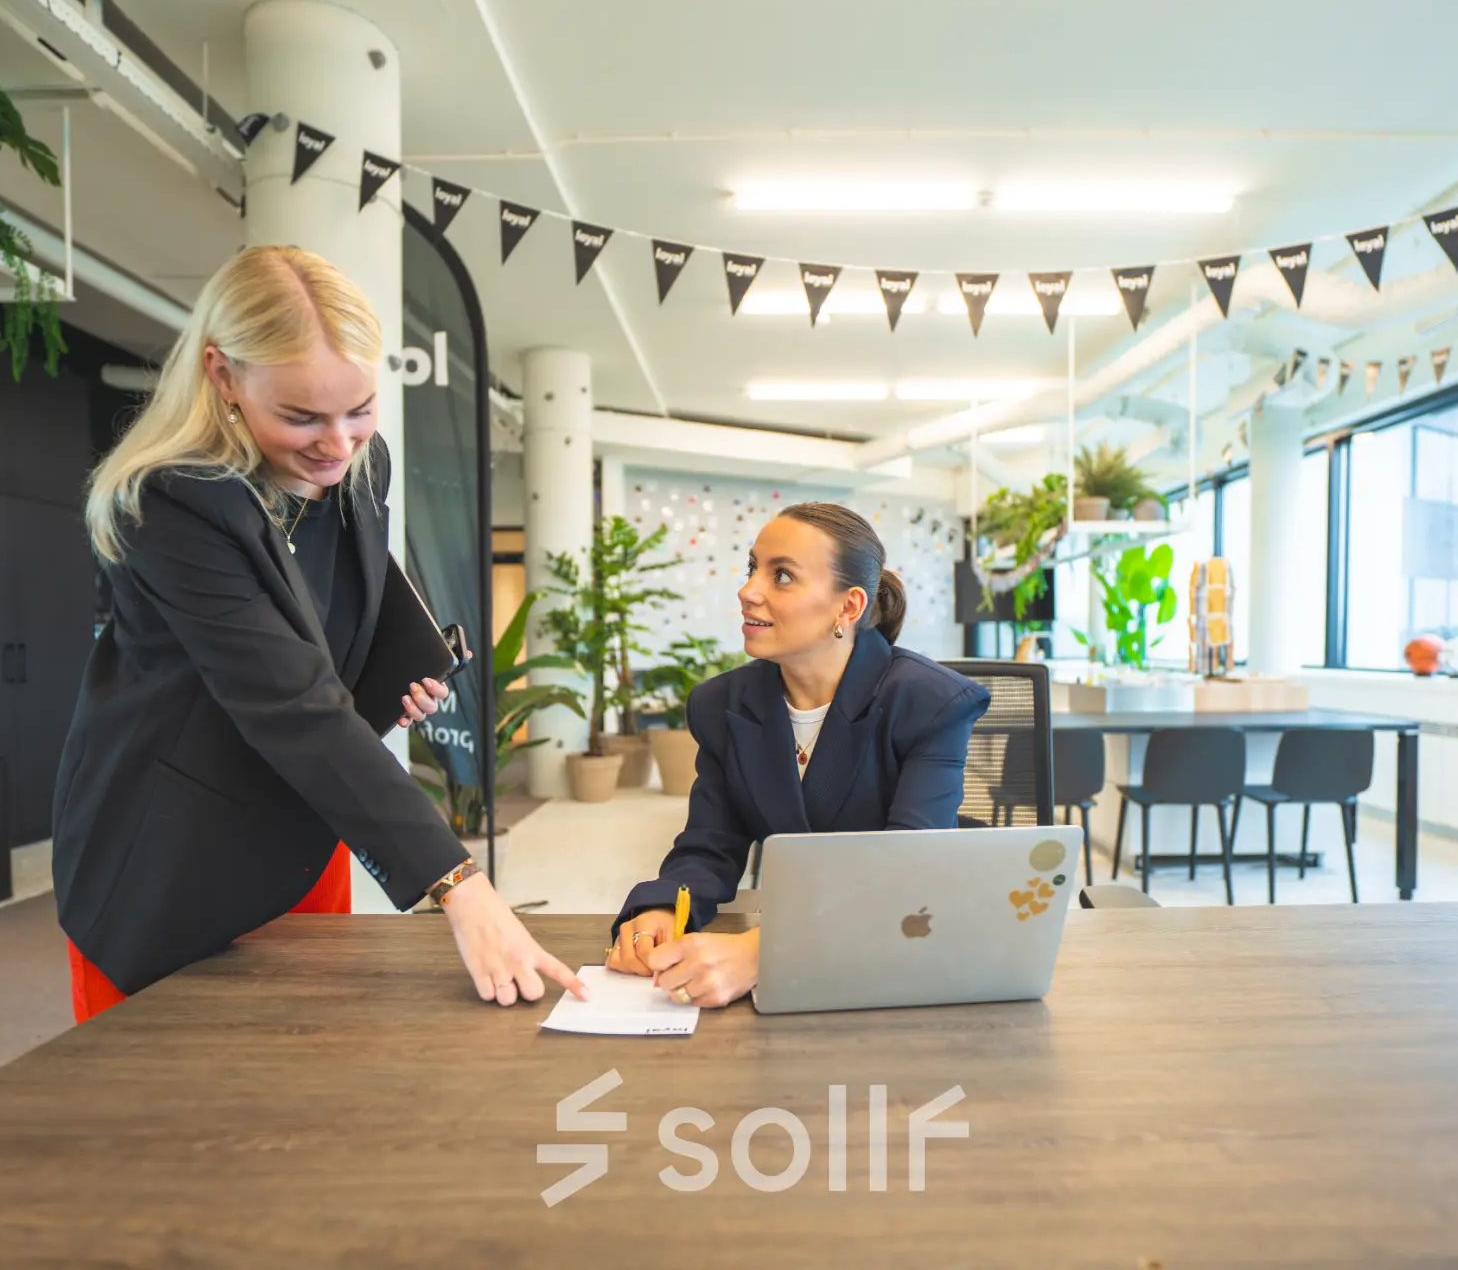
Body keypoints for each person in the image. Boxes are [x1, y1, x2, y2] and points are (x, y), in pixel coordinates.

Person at [52, 244, 581, 1020]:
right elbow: (290, 700)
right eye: (301, 417)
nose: (337, 445)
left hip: (303, 818)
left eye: (359, 410)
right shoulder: (169, 502)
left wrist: (391, 674)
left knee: (310, 1070)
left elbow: (344, 595)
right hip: (167, 849)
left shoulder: (365, 465)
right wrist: (460, 886)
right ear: (222, 375)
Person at [603, 503, 990, 1007]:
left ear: (847, 608)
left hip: (902, 957)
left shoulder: (929, 703)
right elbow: (709, 846)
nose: (747, 591)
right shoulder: (722, 705)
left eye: (781, 575)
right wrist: (661, 909)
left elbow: (908, 869)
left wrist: (769, 950)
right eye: (752, 569)